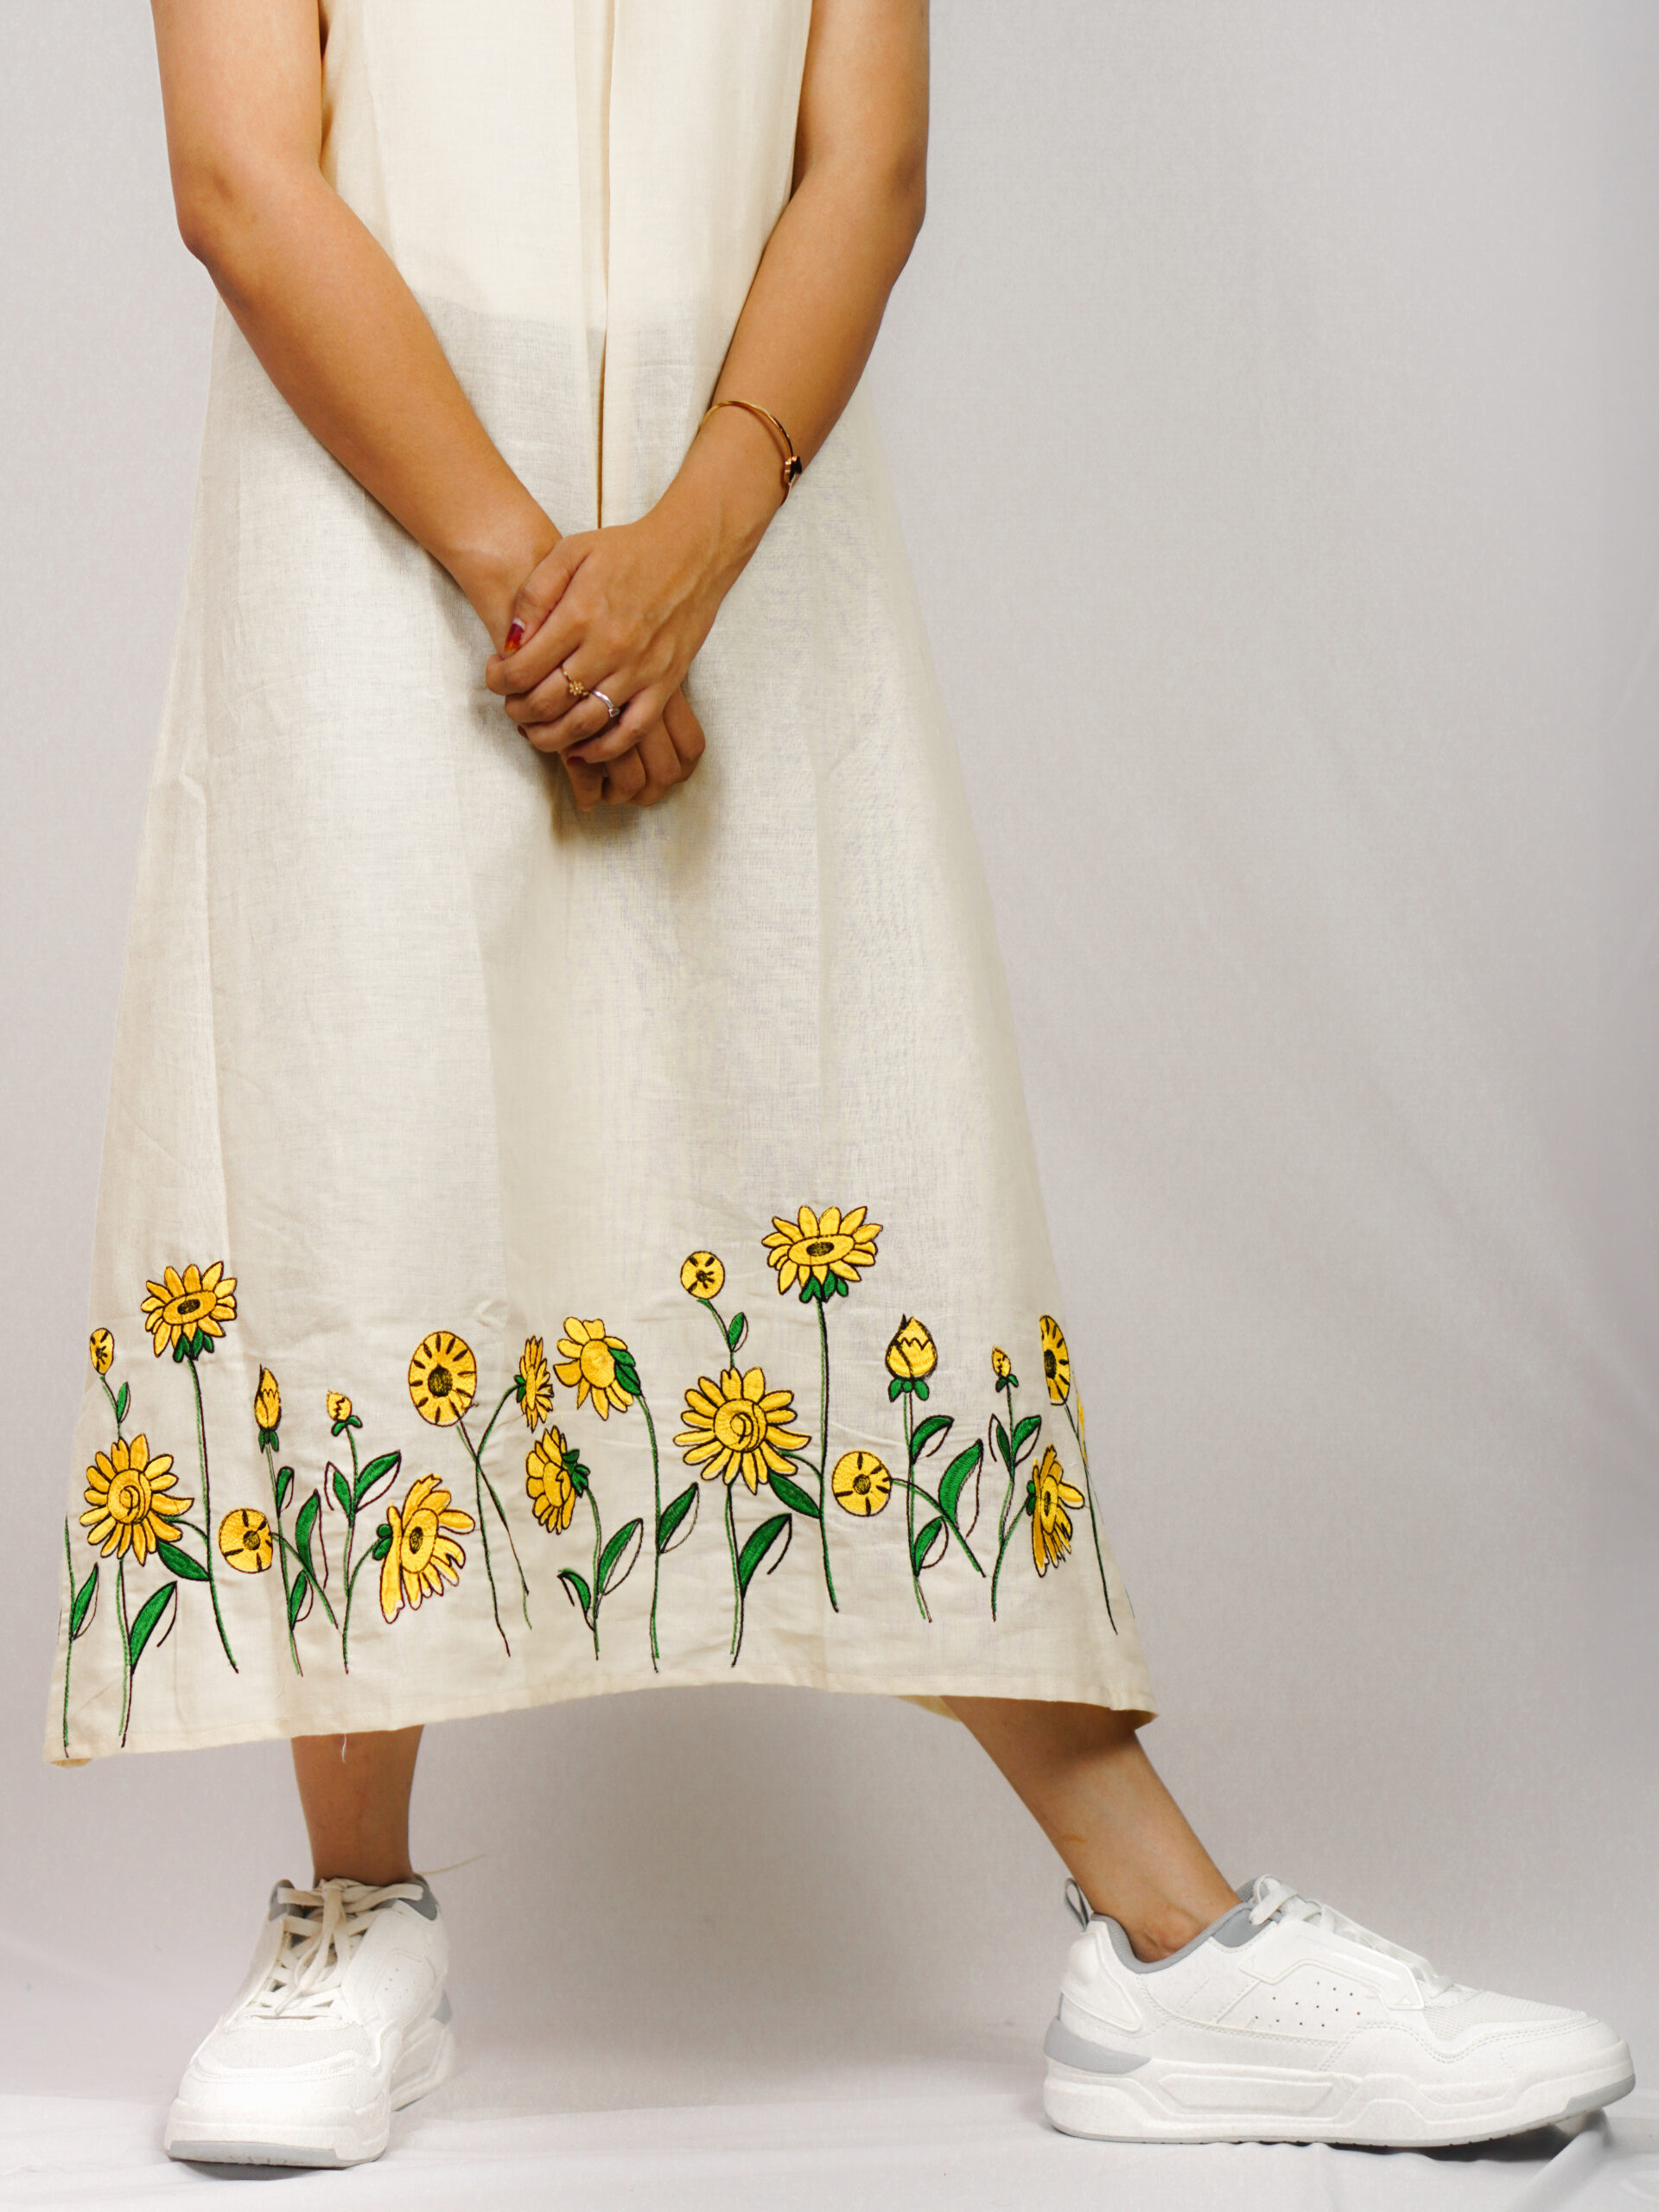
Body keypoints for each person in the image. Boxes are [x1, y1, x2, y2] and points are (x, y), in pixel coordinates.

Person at [50, 0, 1630, 2171]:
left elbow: (864, 161)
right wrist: (539, 582)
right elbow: (242, 172)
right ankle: (359, 1907)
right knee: (373, 1131)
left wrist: (687, 550)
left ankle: (1169, 1942)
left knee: (858, 1160)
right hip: (367, 499)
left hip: (742, 537)